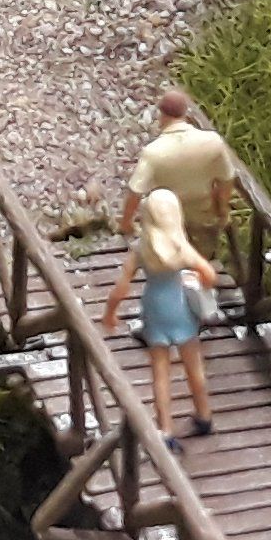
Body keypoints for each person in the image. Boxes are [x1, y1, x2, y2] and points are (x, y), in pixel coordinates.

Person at [102, 189, 216, 450]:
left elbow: (122, 287)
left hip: (154, 309)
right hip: (180, 308)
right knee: (194, 367)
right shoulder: (181, 248)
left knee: (160, 373)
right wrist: (195, 280)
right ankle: (204, 414)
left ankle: (166, 428)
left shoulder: (141, 250)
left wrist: (110, 312)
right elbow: (209, 275)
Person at [119, 90, 233, 262]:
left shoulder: (153, 152)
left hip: (167, 221)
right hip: (203, 215)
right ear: (185, 114)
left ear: (162, 115)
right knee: (202, 260)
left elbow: (135, 191)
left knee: (168, 260)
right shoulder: (213, 141)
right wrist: (222, 209)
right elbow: (227, 179)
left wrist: (126, 223)